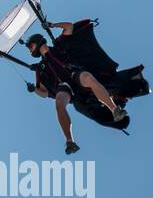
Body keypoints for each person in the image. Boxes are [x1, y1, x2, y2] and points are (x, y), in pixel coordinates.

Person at [25, 22, 127, 154]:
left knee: (88, 77)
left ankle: (114, 110)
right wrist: (34, 90)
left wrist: (52, 25)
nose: (30, 51)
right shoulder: (40, 68)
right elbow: (44, 93)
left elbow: (69, 27)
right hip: (64, 87)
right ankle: (70, 141)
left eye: (31, 46)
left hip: (75, 75)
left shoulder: (59, 46)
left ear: (37, 41)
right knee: (59, 104)